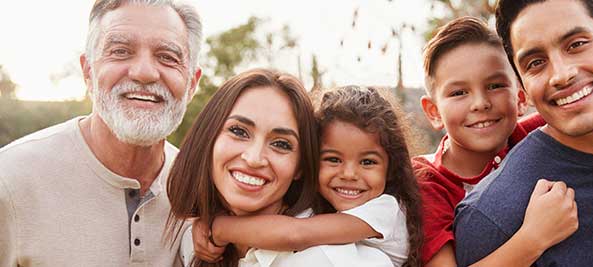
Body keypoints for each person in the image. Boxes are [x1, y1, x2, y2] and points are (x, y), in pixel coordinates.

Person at [415, 16, 593, 266]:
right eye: (459, 93)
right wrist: (533, 239)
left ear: (522, 98)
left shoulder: (529, 135)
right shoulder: (427, 184)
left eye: (495, 85)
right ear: (434, 111)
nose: (480, 103)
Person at [0, 0, 202, 265]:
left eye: (167, 57)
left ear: (192, 84)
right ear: (88, 71)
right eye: (120, 51)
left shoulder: (201, 192)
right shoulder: (10, 180)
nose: (144, 73)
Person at [173, 82, 423, 266]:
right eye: (333, 159)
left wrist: (218, 227)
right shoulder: (184, 241)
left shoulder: (383, 211)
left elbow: (295, 234)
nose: (348, 173)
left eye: (281, 144)